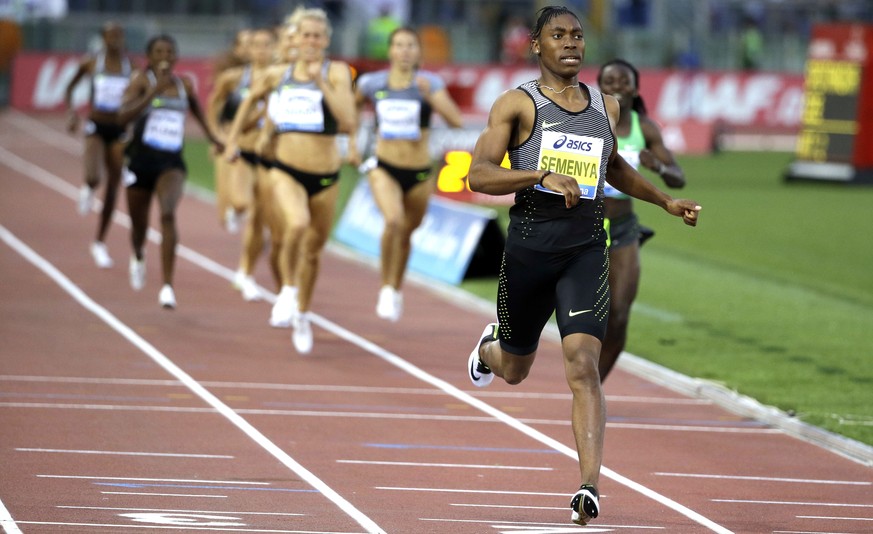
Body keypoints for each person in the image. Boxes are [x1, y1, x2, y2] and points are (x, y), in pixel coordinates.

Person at [465, 6, 701, 526]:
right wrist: (539, 176)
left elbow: (612, 164)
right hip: (529, 246)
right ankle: (489, 350)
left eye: (577, 35)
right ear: (535, 44)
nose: (571, 43)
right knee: (516, 369)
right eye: (558, 35)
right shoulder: (517, 105)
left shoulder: (606, 105)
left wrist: (665, 202)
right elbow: (478, 175)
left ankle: (589, 486)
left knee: (582, 364)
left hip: (585, 247)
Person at [224, 8, 355, 353]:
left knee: (313, 251)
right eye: (305, 35)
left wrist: (321, 81)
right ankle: (286, 292)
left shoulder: (337, 72)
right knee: (296, 225)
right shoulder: (277, 74)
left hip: (326, 175)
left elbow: (348, 119)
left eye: (317, 36)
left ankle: (302, 313)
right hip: (286, 169)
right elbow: (250, 101)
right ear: (294, 39)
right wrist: (233, 140)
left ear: (326, 40)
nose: (311, 42)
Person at [354, 27, 463, 321]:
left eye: (410, 46)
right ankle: (386, 288)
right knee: (393, 221)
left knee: (406, 234)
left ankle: (395, 287)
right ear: (390, 51)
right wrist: (354, 144)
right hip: (383, 166)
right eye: (399, 45)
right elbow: (350, 110)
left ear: (418, 52)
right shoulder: (370, 83)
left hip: (419, 172)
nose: (404, 51)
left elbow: (455, 120)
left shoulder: (430, 83)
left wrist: (433, 97)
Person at [596, 58, 686, 381]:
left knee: (618, 315)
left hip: (622, 229)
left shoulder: (644, 128)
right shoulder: (587, 122)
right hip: (583, 226)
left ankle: (593, 384)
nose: (617, 87)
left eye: (623, 82)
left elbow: (679, 179)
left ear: (635, 88)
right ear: (599, 88)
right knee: (587, 315)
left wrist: (658, 167)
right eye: (609, 82)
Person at [117, 34, 223, 309]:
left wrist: (214, 139)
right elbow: (122, 116)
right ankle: (138, 254)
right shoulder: (141, 81)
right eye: (159, 52)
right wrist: (153, 93)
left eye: (170, 52)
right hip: (140, 162)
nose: (165, 56)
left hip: (171, 164)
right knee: (139, 226)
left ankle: (167, 286)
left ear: (176, 57)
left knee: (167, 212)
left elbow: (198, 112)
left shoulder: (184, 84)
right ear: (149, 57)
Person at [207, 27, 278, 301]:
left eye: (266, 44)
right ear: (247, 50)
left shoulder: (282, 78)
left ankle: (245, 273)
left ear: (274, 47)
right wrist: (221, 137)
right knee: (240, 203)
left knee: (261, 220)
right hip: (243, 152)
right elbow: (212, 108)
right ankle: (238, 213)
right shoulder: (233, 78)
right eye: (255, 45)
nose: (260, 50)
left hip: (271, 155)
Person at [63, 22, 135, 269]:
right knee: (94, 177)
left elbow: (140, 97)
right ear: (103, 38)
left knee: (114, 186)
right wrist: (72, 113)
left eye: (119, 34)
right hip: (96, 124)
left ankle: (99, 243)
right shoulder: (92, 63)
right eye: (111, 35)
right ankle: (88, 186)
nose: (115, 39)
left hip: (119, 130)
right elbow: (70, 87)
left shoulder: (131, 67)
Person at [212, 29, 252, 232]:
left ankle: (254, 221)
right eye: (244, 44)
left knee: (244, 197)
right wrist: (216, 135)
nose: (248, 48)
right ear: (236, 48)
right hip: (228, 133)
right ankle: (232, 212)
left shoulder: (269, 73)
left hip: (253, 137)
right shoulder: (229, 75)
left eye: (251, 43)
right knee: (225, 196)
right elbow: (215, 106)